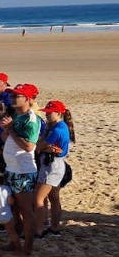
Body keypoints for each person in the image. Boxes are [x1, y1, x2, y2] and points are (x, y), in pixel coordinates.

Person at [0, 83, 41, 254]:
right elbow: (7, 138)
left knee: (25, 209)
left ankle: (28, 246)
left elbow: (29, 146)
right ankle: (16, 242)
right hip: (12, 168)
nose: (12, 98)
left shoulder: (31, 120)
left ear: (28, 99)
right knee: (14, 208)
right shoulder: (18, 116)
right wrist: (7, 130)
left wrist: (10, 129)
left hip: (23, 170)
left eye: (17, 96)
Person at [36, 100, 74, 236]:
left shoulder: (57, 129)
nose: (46, 116)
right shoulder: (60, 126)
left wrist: (44, 146)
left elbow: (39, 146)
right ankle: (54, 227)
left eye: (49, 113)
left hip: (51, 166)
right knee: (53, 197)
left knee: (38, 198)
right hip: (57, 164)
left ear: (58, 113)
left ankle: (39, 229)